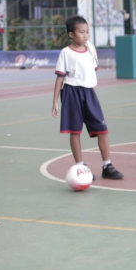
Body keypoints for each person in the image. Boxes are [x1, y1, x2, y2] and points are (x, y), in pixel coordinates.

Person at [52, 15, 123, 180]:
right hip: (71, 93)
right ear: (71, 34)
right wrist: (55, 101)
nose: (85, 35)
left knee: (102, 130)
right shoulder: (65, 53)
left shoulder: (90, 50)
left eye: (87, 32)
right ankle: (80, 166)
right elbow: (60, 78)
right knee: (75, 131)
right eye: (81, 32)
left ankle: (107, 165)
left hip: (89, 93)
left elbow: (90, 73)